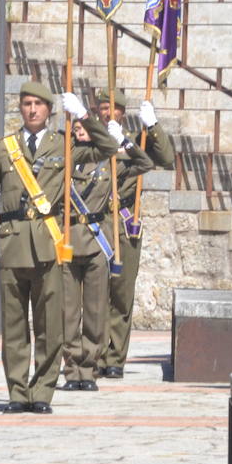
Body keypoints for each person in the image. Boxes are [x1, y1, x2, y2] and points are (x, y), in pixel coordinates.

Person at [0, 81, 116, 414]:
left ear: (49, 110)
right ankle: (17, 392)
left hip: (49, 244)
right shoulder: (2, 148)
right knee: (14, 326)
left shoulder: (63, 145)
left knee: (51, 325)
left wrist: (84, 115)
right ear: (20, 108)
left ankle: (42, 392)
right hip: (12, 244)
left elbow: (107, 147)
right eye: (26, 103)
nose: (33, 109)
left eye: (39, 104)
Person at [59, 116, 151, 392]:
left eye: (85, 128)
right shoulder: (65, 158)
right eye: (76, 129)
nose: (80, 132)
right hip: (70, 241)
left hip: (98, 244)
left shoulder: (111, 162)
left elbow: (145, 164)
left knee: (96, 312)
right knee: (68, 312)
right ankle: (71, 368)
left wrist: (124, 141)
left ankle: (89, 369)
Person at [96, 89, 176, 379]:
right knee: (93, 294)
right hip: (93, 222)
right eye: (103, 108)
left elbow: (166, 158)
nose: (108, 114)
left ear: (122, 112)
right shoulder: (87, 136)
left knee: (121, 293)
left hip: (123, 221)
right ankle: (94, 354)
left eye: (113, 109)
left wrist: (151, 126)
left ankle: (115, 357)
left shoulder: (135, 140)